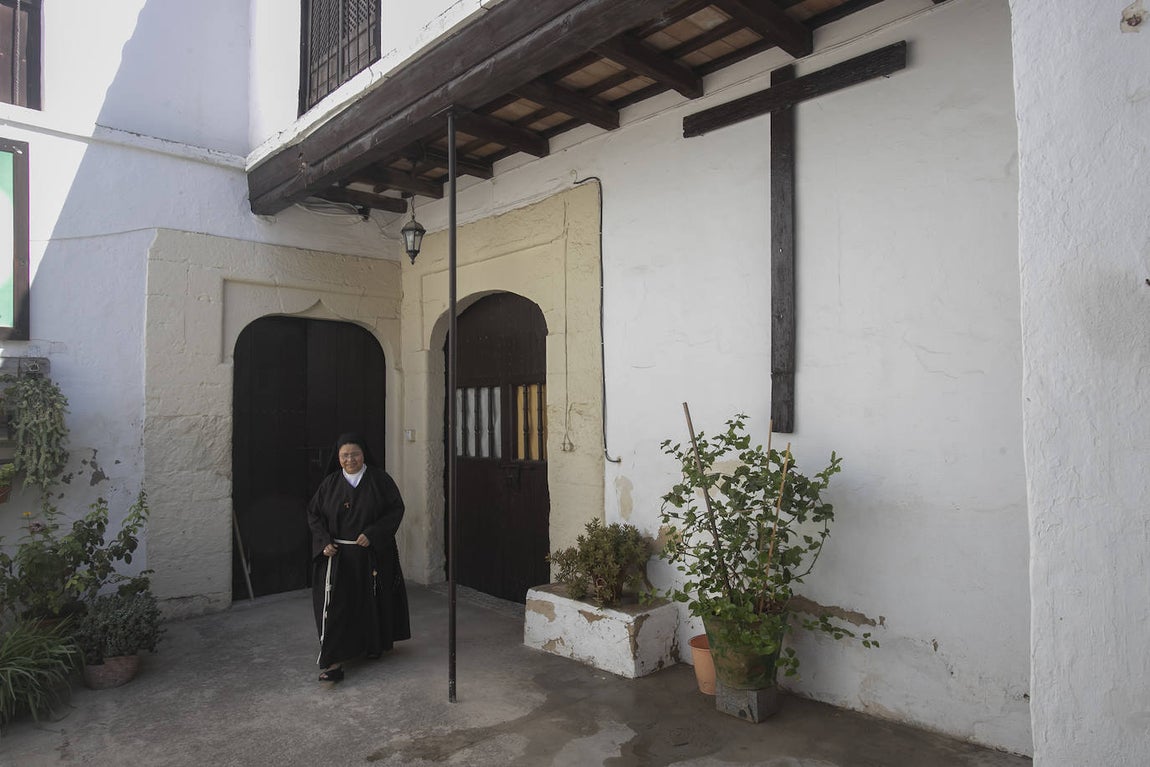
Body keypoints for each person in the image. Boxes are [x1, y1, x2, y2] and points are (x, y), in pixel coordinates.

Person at [306, 432, 410, 682]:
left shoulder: (380, 480)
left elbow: (396, 509)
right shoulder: (330, 484)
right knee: (336, 608)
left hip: (370, 556)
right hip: (338, 557)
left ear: (364, 454)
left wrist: (373, 533)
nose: (350, 459)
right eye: (344, 455)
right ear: (337, 457)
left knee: (370, 603)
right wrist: (324, 542)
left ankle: (371, 646)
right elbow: (314, 514)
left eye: (355, 454)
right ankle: (333, 663)